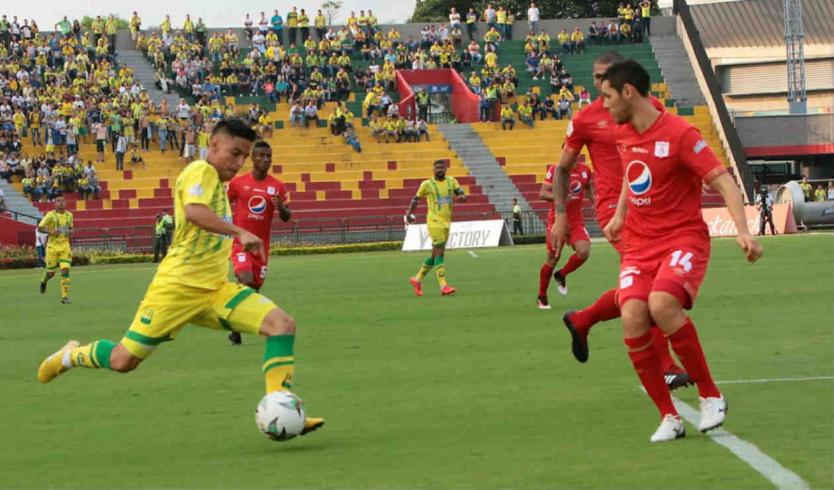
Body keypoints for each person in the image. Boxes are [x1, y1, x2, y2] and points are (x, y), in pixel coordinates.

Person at [36, 120, 325, 436]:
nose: (239, 162)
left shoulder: (220, 184)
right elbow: (194, 213)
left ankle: (283, 412)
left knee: (281, 325)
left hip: (215, 290)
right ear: (214, 144)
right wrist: (240, 232)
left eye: (244, 156)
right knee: (123, 361)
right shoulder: (199, 172)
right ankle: (69, 356)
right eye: (235, 153)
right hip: (175, 290)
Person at [599, 60, 763, 442]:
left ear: (628, 92)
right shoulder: (623, 134)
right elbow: (630, 171)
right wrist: (621, 214)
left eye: (607, 96)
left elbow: (723, 181)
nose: (603, 104)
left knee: (661, 304)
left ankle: (711, 395)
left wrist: (743, 230)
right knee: (633, 315)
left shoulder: (679, 134)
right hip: (639, 245)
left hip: (681, 238)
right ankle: (669, 417)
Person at [551, 52, 690, 391]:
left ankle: (582, 319)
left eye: (607, 77)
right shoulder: (585, 120)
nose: (601, 83)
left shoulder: (645, 105)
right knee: (652, 286)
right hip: (616, 211)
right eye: (597, 77)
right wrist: (559, 216)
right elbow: (563, 168)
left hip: (649, 207)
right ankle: (667, 366)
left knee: (642, 289)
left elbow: (668, 142)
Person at [226, 140, 292, 346]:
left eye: (268, 156)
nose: (265, 160)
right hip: (241, 243)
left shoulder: (277, 187)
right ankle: (231, 316)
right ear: (252, 158)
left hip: (261, 247)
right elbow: (224, 203)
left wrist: (280, 207)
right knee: (245, 279)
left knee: (253, 290)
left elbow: (287, 217)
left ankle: (235, 325)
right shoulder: (238, 183)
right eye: (261, 156)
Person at [405, 160, 466, 297]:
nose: (440, 170)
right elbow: (416, 199)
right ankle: (443, 285)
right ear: (433, 169)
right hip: (434, 221)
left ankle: (417, 279)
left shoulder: (452, 181)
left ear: (446, 169)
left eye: (442, 168)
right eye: (437, 168)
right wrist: (408, 214)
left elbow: (461, 193)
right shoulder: (427, 184)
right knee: (440, 253)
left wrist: (461, 197)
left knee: (434, 254)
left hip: (446, 222)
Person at [538, 162, 593, 309]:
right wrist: (561, 198)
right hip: (557, 220)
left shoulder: (585, 170)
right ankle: (542, 296)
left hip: (576, 222)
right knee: (552, 258)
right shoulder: (556, 169)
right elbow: (543, 193)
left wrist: (598, 204)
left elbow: (589, 189)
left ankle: (561, 274)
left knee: (584, 251)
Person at [38, 194, 73, 304]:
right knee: (51, 273)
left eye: (63, 200)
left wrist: (69, 235)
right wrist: (51, 232)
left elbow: (70, 229)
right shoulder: (50, 215)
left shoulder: (69, 215)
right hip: (52, 248)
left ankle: (65, 297)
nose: (61, 203)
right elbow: (40, 227)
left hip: (64, 247)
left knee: (65, 270)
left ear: (65, 202)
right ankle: (44, 281)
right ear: (55, 203)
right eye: (58, 201)